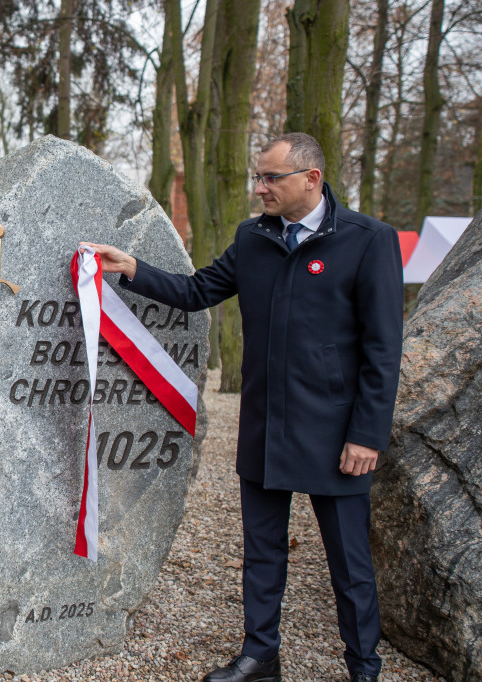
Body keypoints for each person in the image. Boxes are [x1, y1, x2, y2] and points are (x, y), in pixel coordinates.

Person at [83, 133, 402, 682]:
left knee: (349, 563)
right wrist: (131, 267)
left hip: (336, 431)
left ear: (311, 179)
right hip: (265, 424)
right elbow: (197, 290)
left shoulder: (368, 241)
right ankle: (261, 655)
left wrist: (367, 435)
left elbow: (383, 347)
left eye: (270, 178)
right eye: (258, 177)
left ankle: (364, 666)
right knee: (262, 550)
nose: (260, 189)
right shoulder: (253, 238)